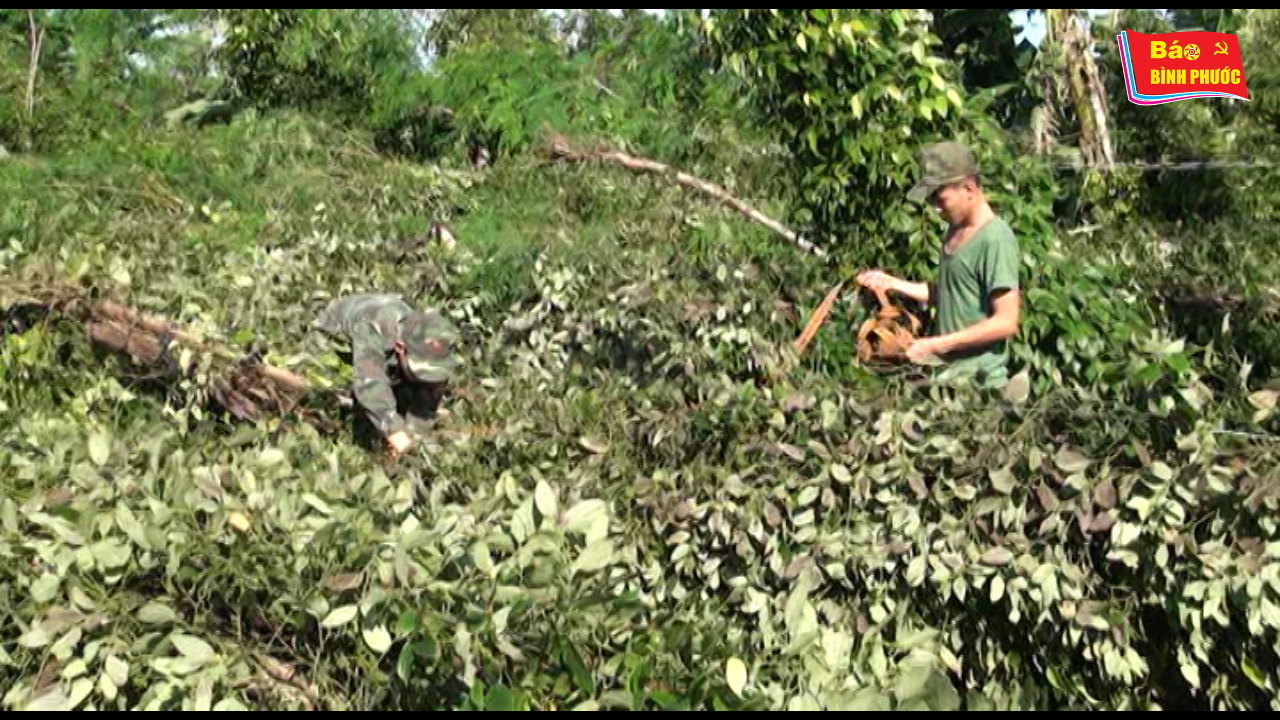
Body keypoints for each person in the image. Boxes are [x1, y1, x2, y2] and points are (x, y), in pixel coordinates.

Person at [856, 141, 1022, 389]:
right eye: (931, 198)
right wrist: (892, 283)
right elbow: (953, 293)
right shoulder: (954, 230)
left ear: (969, 189)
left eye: (940, 198)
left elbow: (1006, 322)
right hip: (946, 381)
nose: (935, 208)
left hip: (980, 386)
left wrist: (936, 345)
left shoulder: (995, 239)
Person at [312, 293, 459, 456]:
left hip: (384, 343)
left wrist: (416, 433)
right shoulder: (373, 329)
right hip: (334, 341)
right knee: (333, 396)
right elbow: (371, 386)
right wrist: (398, 436)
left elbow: (436, 384)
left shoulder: (433, 335)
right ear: (400, 348)